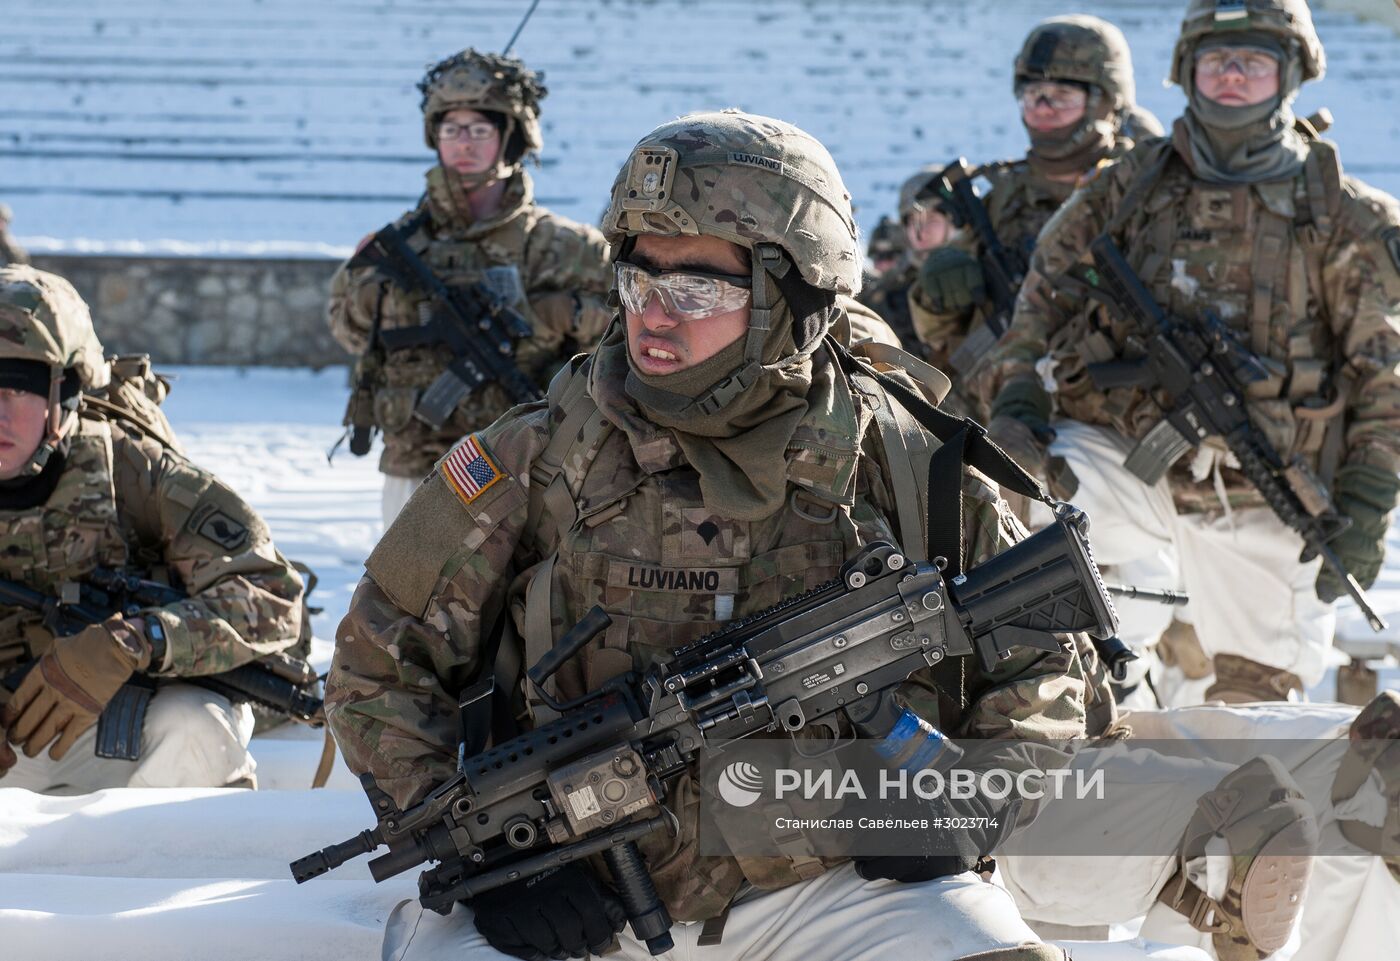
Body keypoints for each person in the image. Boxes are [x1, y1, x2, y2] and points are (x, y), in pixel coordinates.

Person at [327, 109, 1095, 961]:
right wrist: (498, 860)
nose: (654, 317)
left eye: (696, 290)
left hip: (835, 888)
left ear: (791, 294)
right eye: (637, 281)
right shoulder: (539, 449)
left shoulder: (905, 457)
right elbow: (374, 664)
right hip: (582, 896)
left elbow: (1047, 661)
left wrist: (972, 799)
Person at [983, 0, 1400, 705]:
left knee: (1255, 708)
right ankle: (1078, 694)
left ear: (1291, 75)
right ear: (1188, 73)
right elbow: (1041, 294)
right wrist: (1018, 393)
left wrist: (1368, 502)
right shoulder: (1128, 186)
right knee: (1011, 497)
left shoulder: (1346, 217)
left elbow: (1386, 377)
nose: (1232, 76)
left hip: (1263, 493)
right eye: (1217, 61)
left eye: (1254, 62)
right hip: (1123, 457)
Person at [0, 265, 305, 792]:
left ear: (65, 396)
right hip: (15, 739)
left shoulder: (137, 475)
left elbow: (271, 599)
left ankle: (168, 865)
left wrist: (138, 640)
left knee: (197, 728)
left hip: (126, 719)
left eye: (18, 388)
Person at [327, 49, 613, 527]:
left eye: (480, 130)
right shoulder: (398, 245)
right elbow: (348, 330)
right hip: (414, 462)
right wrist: (374, 297)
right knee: (406, 593)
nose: (464, 143)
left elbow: (625, 334)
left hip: (525, 464)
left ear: (510, 137)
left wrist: (558, 314)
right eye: (451, 129)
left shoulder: (565, 246)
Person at [909, 15, 1160, 422]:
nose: (1042, 108)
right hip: (1008, 408)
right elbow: (944, 340)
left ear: (1104, 101)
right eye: (1033, 94)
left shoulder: (1141, 188)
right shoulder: (999, 197)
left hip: (1116, 407)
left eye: (1061, 95)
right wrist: (937, 297)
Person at [859, 167, 958, 361]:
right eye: (913, 220)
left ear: (953, 220)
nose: (921, 231)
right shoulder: (889, 290)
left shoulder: (981, 271)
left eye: (932, 219)